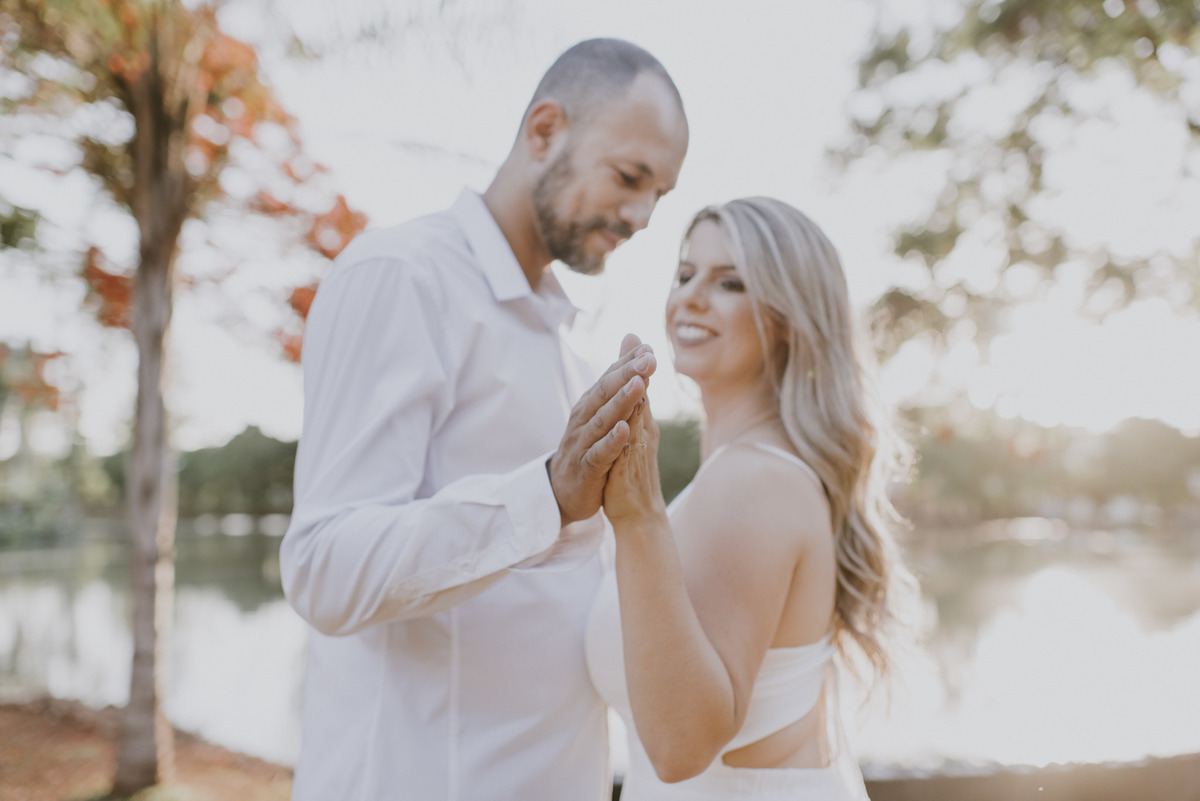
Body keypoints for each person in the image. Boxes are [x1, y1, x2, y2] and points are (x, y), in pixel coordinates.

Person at [280, 39, 688, 801]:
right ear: (544, 131)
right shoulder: (402, 277)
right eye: (630, 177)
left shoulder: (569, 337)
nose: (640, 216)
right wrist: (546, 496)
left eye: (659, 194)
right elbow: (323, 567)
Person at [586, 197, 915, 800]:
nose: (690, 296)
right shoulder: (745, 477)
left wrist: (636, 518)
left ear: (788, 316)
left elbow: (681, 746)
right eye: (686, 274)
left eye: (730, 282)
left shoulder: (754, 481)